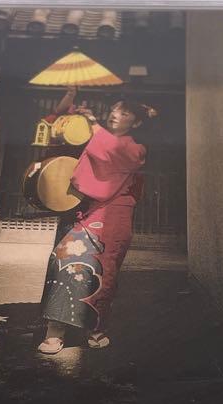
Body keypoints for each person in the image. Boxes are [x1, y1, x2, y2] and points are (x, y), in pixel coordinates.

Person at [37, 86, 156, 353]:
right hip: (85, 210)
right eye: (114, 110)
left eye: (124, 113)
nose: (115, 114)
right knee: (64, 260)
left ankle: (96, 327)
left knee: (103, 271)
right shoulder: (96, 135)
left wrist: (93, 124)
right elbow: (59, 125)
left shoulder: (135, 149)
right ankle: (55, 330)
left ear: (136, 123)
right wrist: (70, 99)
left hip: (113, 216)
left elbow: (111, 150)